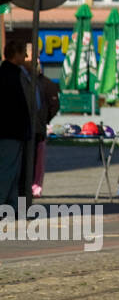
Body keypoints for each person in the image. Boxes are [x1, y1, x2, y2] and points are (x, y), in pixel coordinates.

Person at [0, 38, 32, 210]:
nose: (26, 57)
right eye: (23, 53)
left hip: (13, 131)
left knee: (13, 170)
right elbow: (17, 104)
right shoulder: (11, 75)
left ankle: (11, 206)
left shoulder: (10, 72)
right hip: (10, 131)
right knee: (8, 169)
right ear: (16, 55)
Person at [30, 65, 59, 199]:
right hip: (31, 128)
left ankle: (36, 188)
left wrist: (45, 120)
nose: (38, 63)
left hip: (39, 129)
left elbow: (54, 105)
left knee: (38, 161)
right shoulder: (28, 81)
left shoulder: (46, 83)